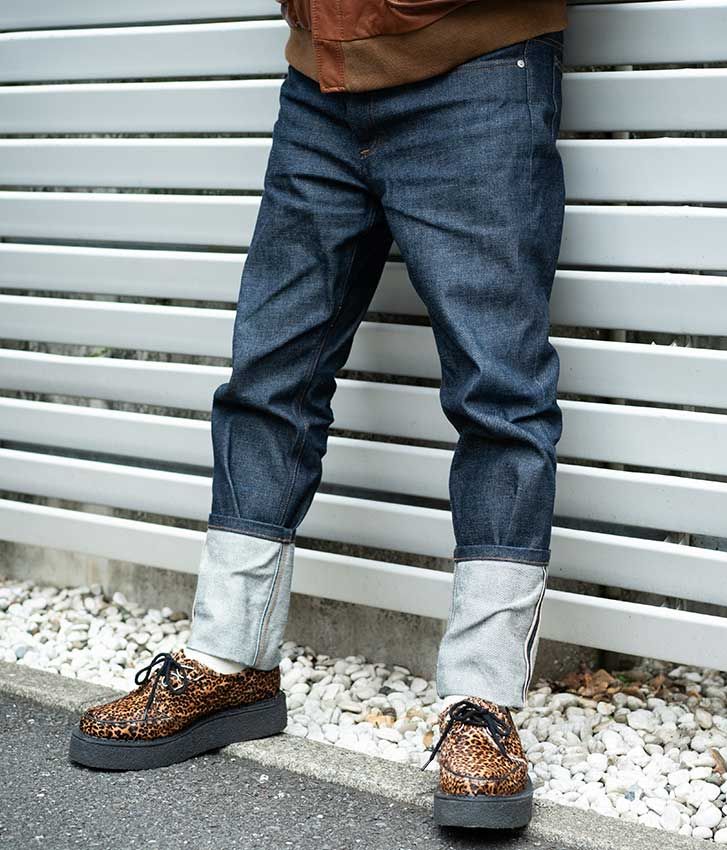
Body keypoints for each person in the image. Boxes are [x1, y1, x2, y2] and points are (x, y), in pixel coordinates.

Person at [69, 0, 567, 831]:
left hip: (479, 69)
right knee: (270, 376)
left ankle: (483, 704)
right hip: (320, 82)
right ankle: (230, 661)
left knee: (499, 394)